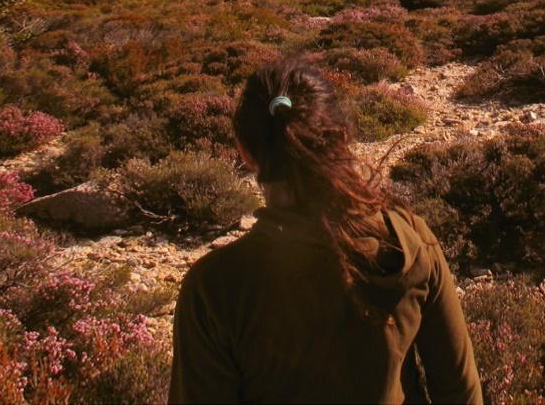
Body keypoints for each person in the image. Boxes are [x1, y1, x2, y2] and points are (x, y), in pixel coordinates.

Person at [169, 58, 483, 404]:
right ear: (343, 136)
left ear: (245, 152)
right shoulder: (408, 241)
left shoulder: (213, 287)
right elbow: (459, 390)